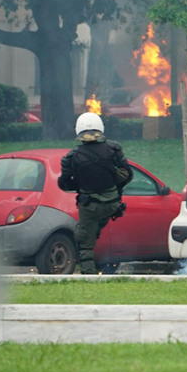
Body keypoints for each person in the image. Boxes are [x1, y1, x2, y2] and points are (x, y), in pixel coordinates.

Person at [58, 112, 133, 275]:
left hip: (89, 207)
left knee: (84, 243)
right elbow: (128, 175)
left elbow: (64, 184)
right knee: (92, 232)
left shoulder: (71, 157)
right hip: (112, 204)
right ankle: (99, 261)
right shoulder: (114, 149)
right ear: (101, 128)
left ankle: (89, 277)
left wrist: (80, 183)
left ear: (78, 130)